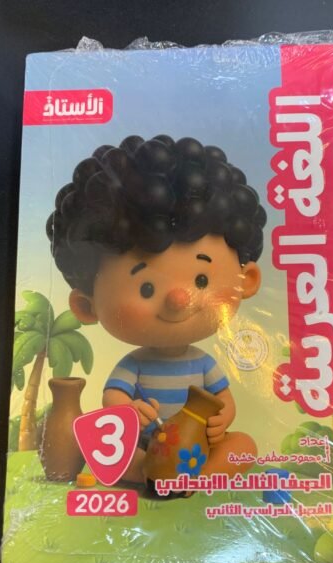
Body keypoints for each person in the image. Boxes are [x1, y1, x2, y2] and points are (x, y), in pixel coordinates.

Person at [47, 134, 267, 483]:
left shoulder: (203, 363)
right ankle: (149, 473)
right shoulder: (134, 365)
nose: (179, 299)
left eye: (200, 280)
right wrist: (129, 410)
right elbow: (113, 396)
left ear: (247, 280)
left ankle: (197, 478)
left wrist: (222, 419)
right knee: (112, 450)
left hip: (195, 449)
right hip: (146, 445)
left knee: (243, 445)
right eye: (146, 287)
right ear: (86, 306)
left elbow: (223, 397)